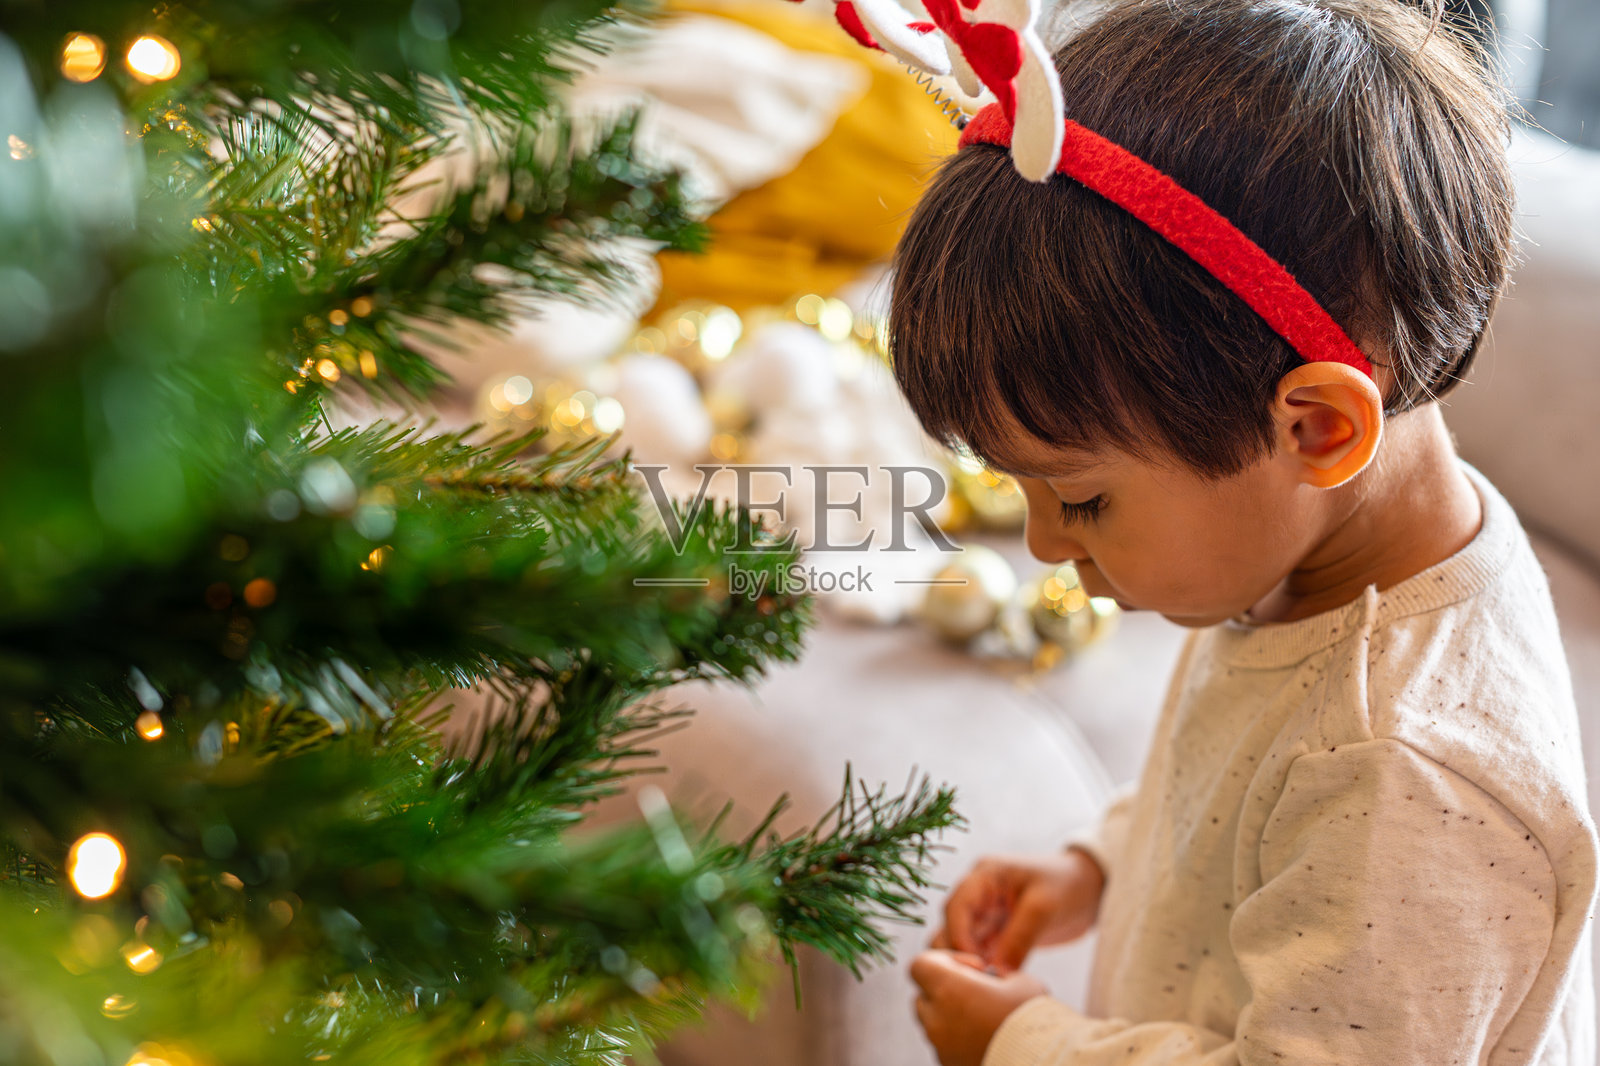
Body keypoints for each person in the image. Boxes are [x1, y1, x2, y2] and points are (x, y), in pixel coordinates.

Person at [887, 0, 1599, 1063]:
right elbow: (1238, 785)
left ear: (1316, 427)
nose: (1042, 546)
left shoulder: (1409, 770)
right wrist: (1102, 862)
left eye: (1080, 498)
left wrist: (1022, 1043)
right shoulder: (1311, 564)